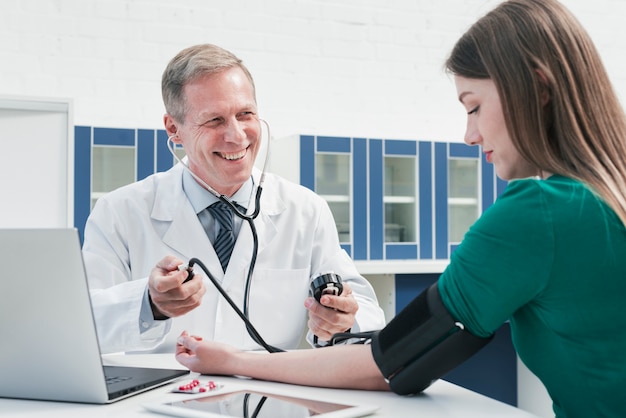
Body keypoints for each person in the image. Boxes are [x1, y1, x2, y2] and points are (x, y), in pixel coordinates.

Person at [174, 1, 626, 416]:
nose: (469, 135)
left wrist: (232, 361)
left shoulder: (539, 213)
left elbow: (391, 362)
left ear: (537, 89)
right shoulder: (605, 194)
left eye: (474, 107)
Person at [83, 43, 386, 354]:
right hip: (162, 398)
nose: (237, 135)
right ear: (174, 128)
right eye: (214, 120)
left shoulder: (306, 211)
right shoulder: (119, 213)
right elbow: (83, 322)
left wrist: (342, 320)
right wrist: (149, 304)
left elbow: (367, 313)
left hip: (268, 398)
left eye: (246, 114)